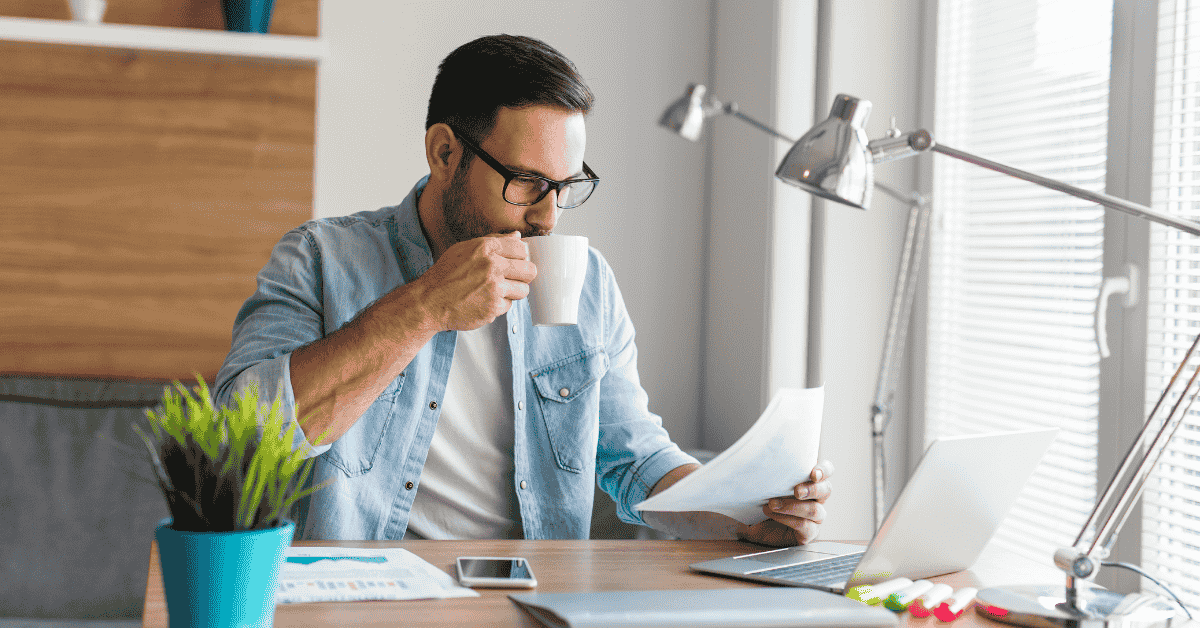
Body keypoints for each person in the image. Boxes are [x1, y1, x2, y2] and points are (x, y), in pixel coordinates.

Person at [214, 34, 832, 544]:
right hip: (368, 599)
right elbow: (237, 442)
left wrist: (747, 514)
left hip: (533, 598)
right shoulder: (322, 260)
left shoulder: (588, 285)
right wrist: (425, 306)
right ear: (444, 152)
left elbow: (633, 459)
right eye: (527, 183)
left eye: (567, 185)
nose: (548, 217)